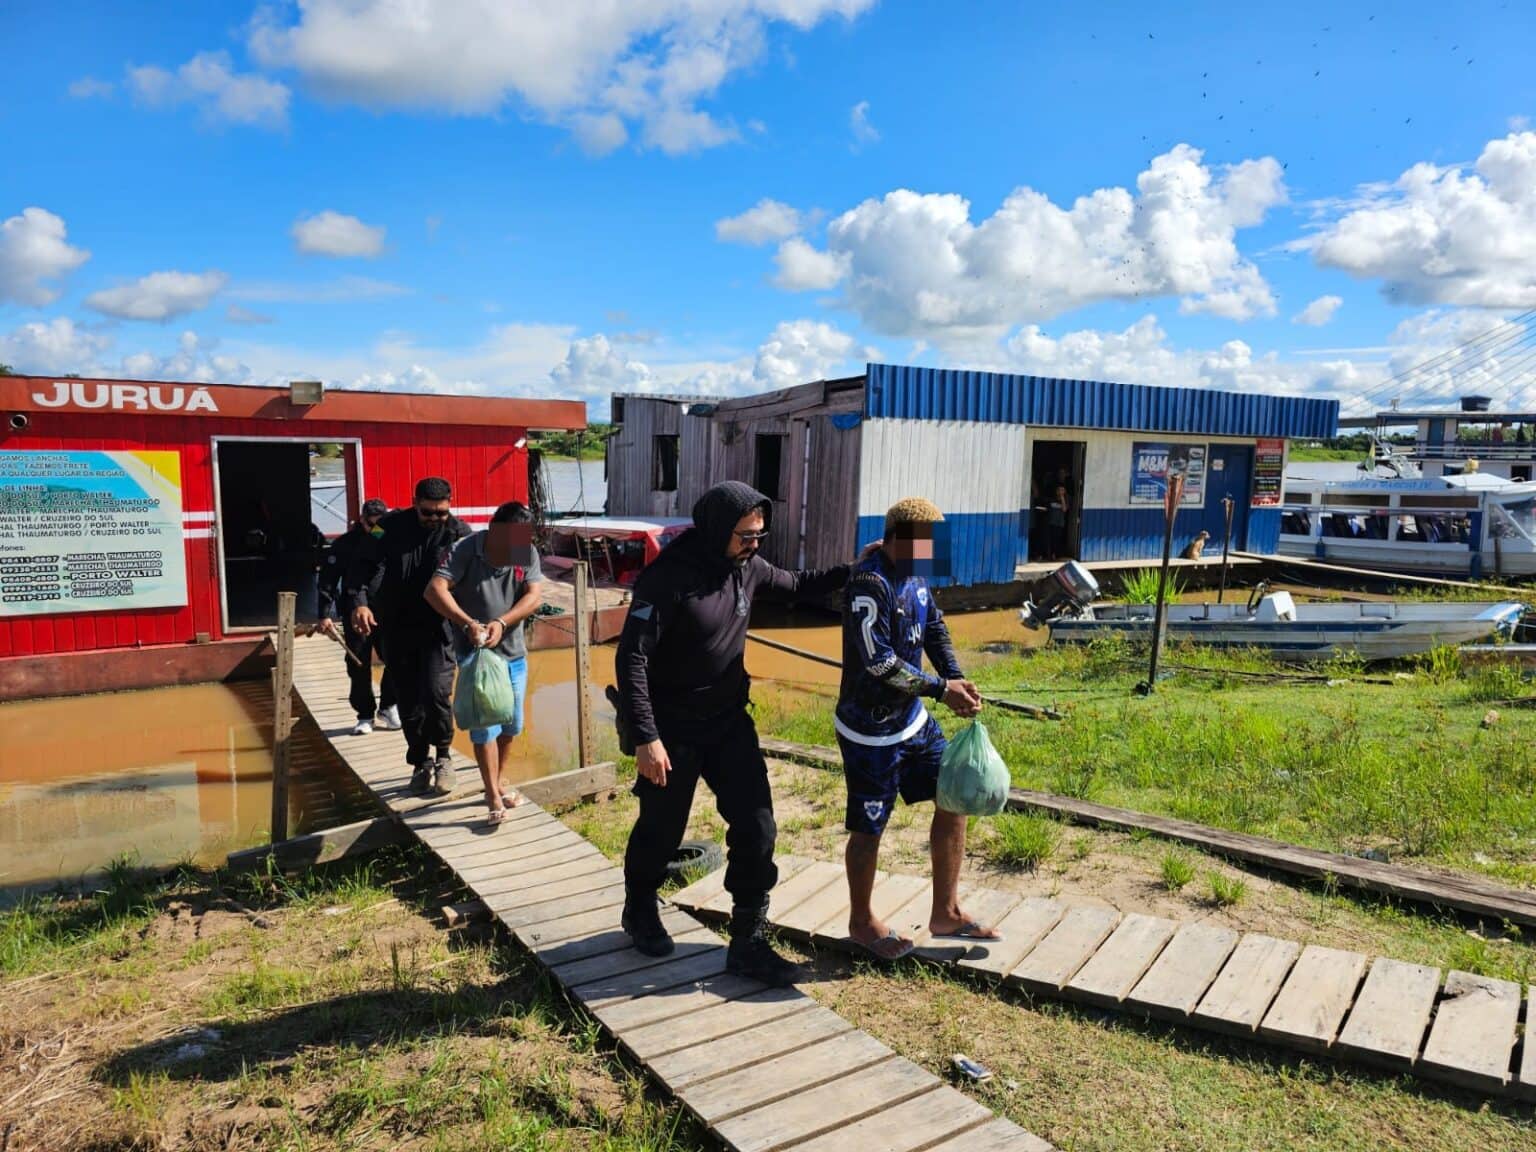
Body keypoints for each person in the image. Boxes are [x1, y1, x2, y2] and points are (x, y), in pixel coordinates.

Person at [615, 480, 856, 985]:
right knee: (662, 830)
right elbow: (632, 657)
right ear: (717, 529)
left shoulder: (749, 567)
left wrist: (860, 568)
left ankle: (748, 938)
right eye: (746, 535)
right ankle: (639, 907)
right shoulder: (667, 578)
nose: (755, 545)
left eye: (760, 536)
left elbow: (800, 583)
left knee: (758, 826)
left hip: (728, 723)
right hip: (672, 730)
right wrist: (645, 737)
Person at [836, 498, 996, 961]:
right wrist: (941, 689)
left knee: (954, 796)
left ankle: (945, 911)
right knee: (870, 829)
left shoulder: (916, 575)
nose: (934, 554)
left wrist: (956, 675)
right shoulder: (870, 583)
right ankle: (861, 921)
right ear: (901, 540)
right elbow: (879, 661)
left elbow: (936, 628)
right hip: (870, 732)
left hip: (913, 723)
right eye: (928, 544)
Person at [347, 477, 470, 797]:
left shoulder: (459, 533)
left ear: (450, 504)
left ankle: (443, 756)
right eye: (427, 512)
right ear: (415, 502)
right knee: (409, 702)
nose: (434, 519)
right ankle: (420, 762)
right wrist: (359, 603)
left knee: (437, 694)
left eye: (441, 513)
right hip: (396, 627)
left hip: (438, 629)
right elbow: (360, 564)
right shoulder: (385, 526)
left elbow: (481, 574)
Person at [426, 501, 544, 826]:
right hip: (475, 655)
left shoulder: (522, 548)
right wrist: (467, 623)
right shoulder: (465, 550)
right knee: (484, 726)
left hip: (513, 653)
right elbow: (434, 590)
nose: (513, 551)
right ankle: (492, 793)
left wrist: (502, 623)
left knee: (512, 724)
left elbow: (533, 596)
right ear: (492, 529)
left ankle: (499, 779)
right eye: (507, 543)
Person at [317, 498, 399, 735]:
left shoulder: (390, 539)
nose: (376, 530)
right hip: (355, 613)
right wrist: (324, 614)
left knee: (397, 659)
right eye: (371, 524)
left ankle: (389, 705)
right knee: (358, 664)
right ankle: (365, 715)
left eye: (380, 525)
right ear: (361, 520)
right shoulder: (344, 545)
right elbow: (328, 580)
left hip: (388, 610)